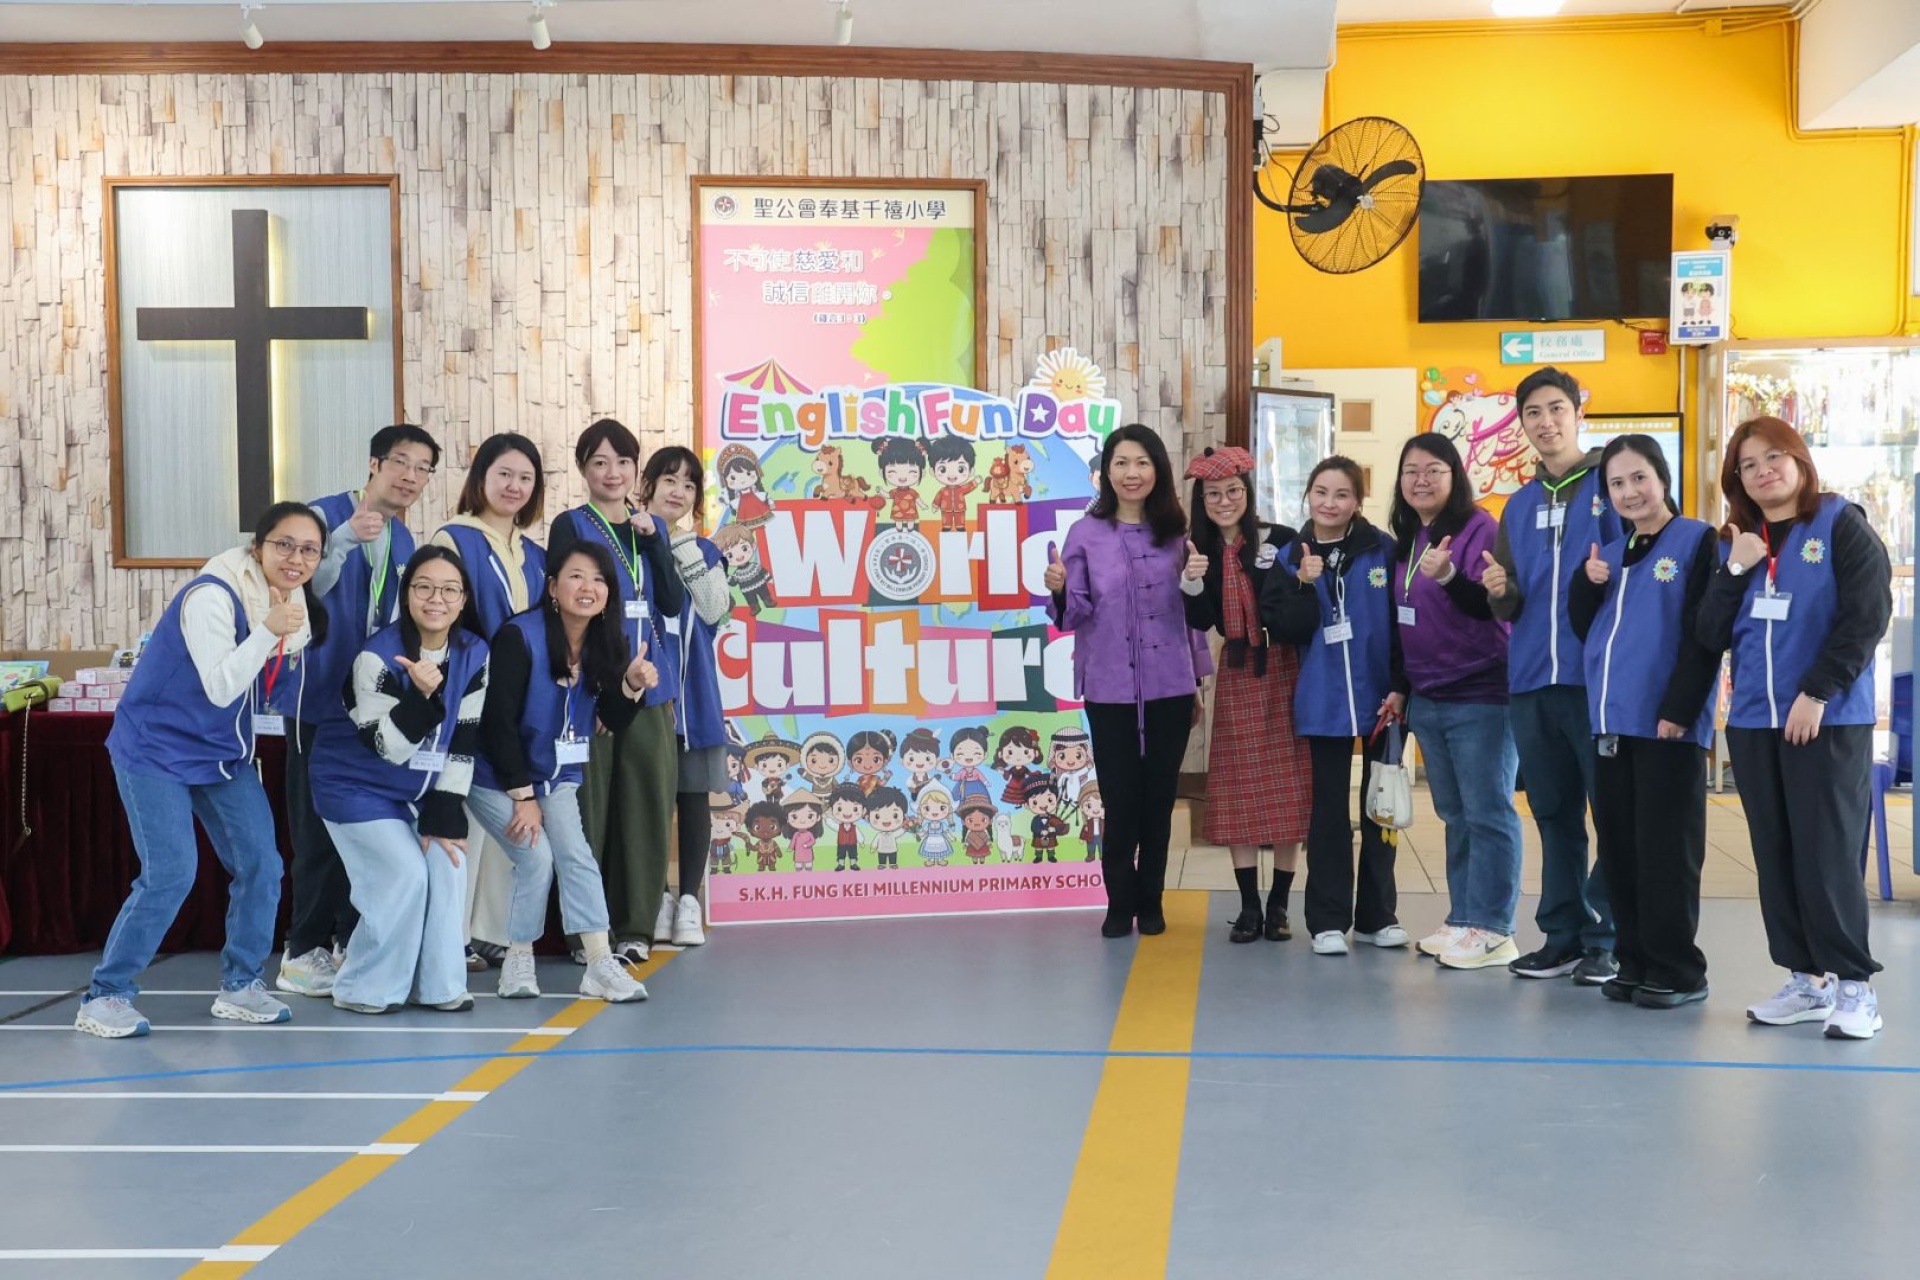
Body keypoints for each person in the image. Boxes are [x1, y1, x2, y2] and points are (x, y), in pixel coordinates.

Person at [76, 504, 327, 1038]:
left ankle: (241, 985)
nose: (296, 558)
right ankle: (106, 995)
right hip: (156, 749)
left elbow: (279, 673)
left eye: (310, 550)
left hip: (220, 753)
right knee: (171, 873)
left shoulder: (288, 597)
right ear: (258, 546)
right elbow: (221, 686)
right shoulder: (211, 595)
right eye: (284, 544)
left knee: (262, 864)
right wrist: (267, 632)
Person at [1697, 416, 1892, 1039]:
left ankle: (1855, 986)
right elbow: (1708, 633)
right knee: (1775, 853)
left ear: (1800, 460)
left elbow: (1867, 616)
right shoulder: (1735, 541)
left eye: (1774, 457)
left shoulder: (1840, 523)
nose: (1763, 472)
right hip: (1756, 719)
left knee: (1826, 852)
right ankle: (1806, 980)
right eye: (1748, 465)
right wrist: (1734, 570)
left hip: (1826, 719)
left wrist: (1817, 691)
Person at [279, 423, 438, 999]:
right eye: (401, 462)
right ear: (374, 464)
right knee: (316, 831)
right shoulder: (321, 519)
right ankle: (302, 951)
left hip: (371, 707)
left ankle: (349, 939)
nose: (410, 476)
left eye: (423, 469)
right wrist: (343, 538)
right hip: (315, 702)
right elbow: (297, 590)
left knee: (362, 827)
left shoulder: (404, 539)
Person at [1567, 435, 1721, 1009]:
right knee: (1621, 849)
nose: (1629, 491)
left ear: (1662, 478)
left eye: (1639, 478)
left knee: (1667, 852)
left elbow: (1704, 636)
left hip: (1665, 726)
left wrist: (1679, 710)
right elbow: (1586, 629)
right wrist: (1585, 584)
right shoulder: (1610, 552)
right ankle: (1634, 961)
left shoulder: (1697, 540)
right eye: (1617, 483)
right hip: (1612, 722)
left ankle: (1678, 969)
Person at [469, 543, 656, 1004]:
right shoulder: (519, 636)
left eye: (599, 579)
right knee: (536, 857)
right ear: (552, 587)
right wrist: (523, 797)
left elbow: (610, 718)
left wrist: (631, 685)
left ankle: (599, 963)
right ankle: (518, 958)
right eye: (576, 576)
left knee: (576, 853)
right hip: (493, 774)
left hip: (556, 773)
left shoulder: (606, 642)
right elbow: (497, 725)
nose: (588, 587)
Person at [1483, 367, 1622, 985]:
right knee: (1553, 813)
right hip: (1532, 682)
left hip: (1598, 682)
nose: (1546, 422)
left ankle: (1608, 937)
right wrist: (1497, 590)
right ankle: (1561, 935)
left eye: (1556, 408)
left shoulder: (1611, 485)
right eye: (1533, 413)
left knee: (1611, 813)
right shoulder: (1518, 504)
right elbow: (1510, 601)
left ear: (1578, 412)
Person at [306, 546, 488, 1015]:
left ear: (464, 600)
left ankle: (439, 985)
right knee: (404, 873)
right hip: (354, 786)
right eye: (424, 587)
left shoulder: (474, 653)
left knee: (448, 863)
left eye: (449, 589)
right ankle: (364, 986)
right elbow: (389, 748)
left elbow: (464, 737)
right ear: (407, 595)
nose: (436, 599)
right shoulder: (376, 657)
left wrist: (445, 810)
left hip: (417, 793)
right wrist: (423, 697)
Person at [1046, 423, 1211, 938]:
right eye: (1121, 462)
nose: (1131, 472)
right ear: (1106, 472)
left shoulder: (1176, 534)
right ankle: (1119, 903)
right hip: (1109, 687)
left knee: (1159, 799)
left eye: (1142, 462)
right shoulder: (1085, 534)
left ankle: (1152, 900)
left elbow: (1190, 618)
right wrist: (1059, 589)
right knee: (1119, 799)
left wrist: (1196, 682)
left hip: (1170, 686)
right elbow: (1074, 615)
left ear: (1157, 469)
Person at [546, 418, 687, 962]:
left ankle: (635, 929)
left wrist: (654, 543)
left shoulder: (649, 528)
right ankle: (590, 931)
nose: (612, 473)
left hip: (651, 685)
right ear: (583, 469)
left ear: (636, 470)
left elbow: (670, 602)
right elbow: (564, 604)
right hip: (596, 688)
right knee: (591, 808)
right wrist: (600, 686)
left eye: (623, 462)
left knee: (646, 805)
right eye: (599, 462)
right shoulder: (570, 525)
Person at [1260, 456, 1407, 953]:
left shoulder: (1382, 549)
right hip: (1322, 700)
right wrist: (1304, 582)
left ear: (1357, 501)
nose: (1329, 503)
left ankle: (1377, 916)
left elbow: (1405, 623)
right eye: (1321, 492)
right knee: (1327, 813)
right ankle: (1327, 920)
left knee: (1381, 809)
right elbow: (1286, 628)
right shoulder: (1288, 556)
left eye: (1342, 494)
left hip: (1382, 699)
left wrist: (1401, 685)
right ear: (1308, 495)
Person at [1389, 433, 1524, 971]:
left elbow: (1491, 605)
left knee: (1488, 812)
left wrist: (1447, 577)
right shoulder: (1410, 536)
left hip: (1480, 693)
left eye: (1433, 470)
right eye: (1411, 471)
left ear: (1455, 475)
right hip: (1428, 695)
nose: (1421, 480)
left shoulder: (1480, 528)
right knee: (1455, 814)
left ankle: (1495, 929)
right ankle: (1465, 916)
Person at [1179, 446, 1310, 946]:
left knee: (1288, 786)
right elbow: (1200, 621)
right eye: (1213, 494)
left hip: (1284, 667)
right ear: (1202, 501)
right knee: (1237, 787)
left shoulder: (1282, 539)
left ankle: (1280, 904)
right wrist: (1191, 582)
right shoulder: (1199, 550)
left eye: (1232, 491)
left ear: (1248, 492)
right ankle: (1249, 906)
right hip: (1237, 668)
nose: (1224, 501)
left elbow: (1299, 606)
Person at [433, 432, 548, 974]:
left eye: (525, 477)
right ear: (481, 477)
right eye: (504, 473)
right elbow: (440, 615)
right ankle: (451, 936)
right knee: (466, 820)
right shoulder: (454, 538)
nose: (514, 486)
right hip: (469, 697)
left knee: (509, 823)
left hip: (522, 705)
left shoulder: (537, 554)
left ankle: (492, 933)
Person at [642, 445, 733, 948]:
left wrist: (683, 545)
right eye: (669, 480)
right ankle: (655, 897)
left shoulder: (704, 551)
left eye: (689, 484)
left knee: (692, 794)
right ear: (648, 486)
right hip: (644, 687)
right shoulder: (628, 543)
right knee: (649, 797)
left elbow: (715, 608)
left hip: (692, 687)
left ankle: (690, 899)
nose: (678, 491)